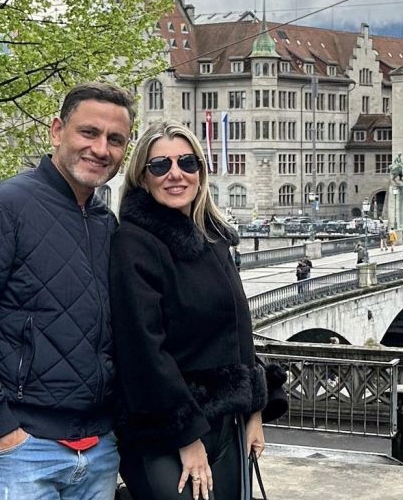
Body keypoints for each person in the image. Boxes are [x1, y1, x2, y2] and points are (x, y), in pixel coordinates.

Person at [0, 82, 133, 499]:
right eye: (88, 133)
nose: (101, 148)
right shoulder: (3, 207)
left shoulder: (105, 223)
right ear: (57, 131)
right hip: (23, 450)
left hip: (97, 448)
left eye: (115, 140)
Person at [109, 121, 284, 500]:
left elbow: (238, 333)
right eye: (160, 166)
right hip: (164, 429)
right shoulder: (133, 244)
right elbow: (142, 351)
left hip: (225, 424)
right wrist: (185, 435)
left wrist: (254, 410)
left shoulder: (213, 238)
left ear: (201, 171)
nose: (176, 174)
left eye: (187, 163)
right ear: (142, 177)